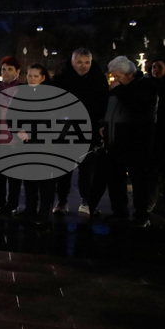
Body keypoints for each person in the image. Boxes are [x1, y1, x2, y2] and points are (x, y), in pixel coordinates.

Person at [91, 56, 158, 227]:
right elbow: (109, 109)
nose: (114, 79)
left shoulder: (146, 86)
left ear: (129, 74)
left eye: (117, 76)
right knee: (115, 179)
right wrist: (103, 124)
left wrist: (119, 90)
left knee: (139, 180)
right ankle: (119, 211)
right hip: (115, 142)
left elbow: (139, 107)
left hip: (137, 144)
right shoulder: (118, 87)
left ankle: (141, 215)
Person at [51, 48, 108, 215]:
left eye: (87, 62)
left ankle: (86, 200)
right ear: (72, 61)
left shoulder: (99, 79)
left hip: (90, 129)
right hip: (65, 129)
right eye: (79, 62)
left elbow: (104, 103)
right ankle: (62, 200)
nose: (83, 66)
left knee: (87, 168)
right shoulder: (61, 79)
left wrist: (101, 124)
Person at [0, 56, 24, 213]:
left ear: (17, 71)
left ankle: (12, 203)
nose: (6, 73)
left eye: (10, 69)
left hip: (14, 138)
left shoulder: (22, 89)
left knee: (14, 174)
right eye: (4, 69)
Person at [18, 64, 56, 225]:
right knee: (29, 179)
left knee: (45, 180)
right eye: (29, 75)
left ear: (43, 77)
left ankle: (44, 211)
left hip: (45, 144)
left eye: (35, 76)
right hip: (26, 143)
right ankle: (30, 209)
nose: (31, 79)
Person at [149, 57, 165, 220]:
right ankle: (155, 204)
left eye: (159, 66)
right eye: (153, 67)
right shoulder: (149, 86)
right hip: (153, 136)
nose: (155, 70)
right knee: (153, 173)